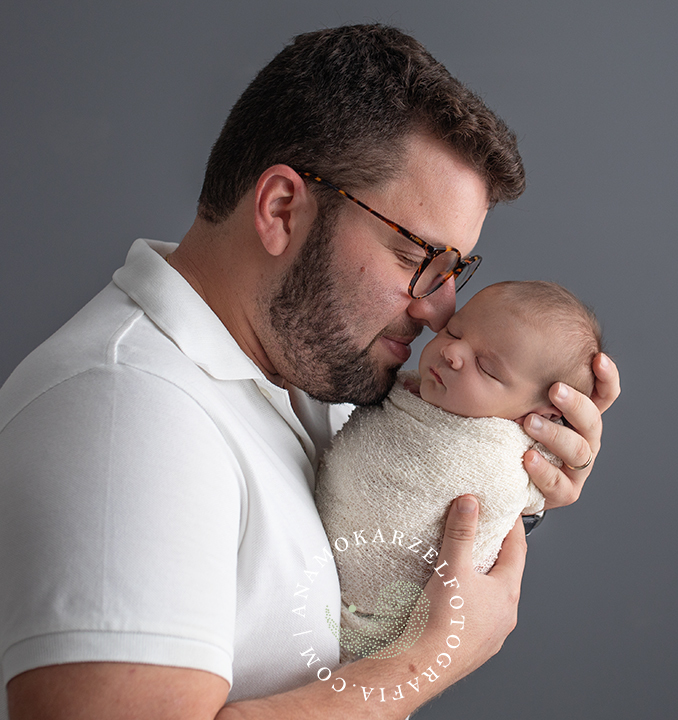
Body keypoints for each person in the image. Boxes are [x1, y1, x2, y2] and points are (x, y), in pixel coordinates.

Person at [0, 24, 620, 720]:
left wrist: (513, 469)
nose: (443, 307)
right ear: (281, 209)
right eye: (418, 254)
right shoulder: (125, 419)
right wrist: (425, 662)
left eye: (455, 269)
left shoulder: (303, 370)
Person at [316, 281, 603, 659]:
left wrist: (543, 486)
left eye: (486, 367)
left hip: (380, 625)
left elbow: (514, 505)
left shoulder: (510, 458)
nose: (451, 351)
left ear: (542, 415)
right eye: (455, 330)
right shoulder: (389, 386)